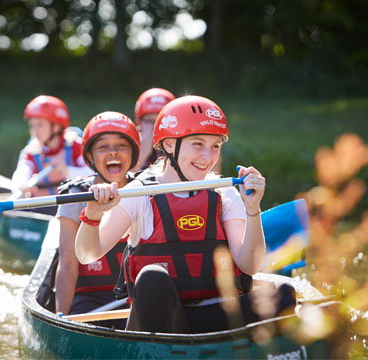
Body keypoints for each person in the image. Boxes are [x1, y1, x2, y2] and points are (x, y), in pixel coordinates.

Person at [75, 95, 293, 334]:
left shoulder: (224, 193)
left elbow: (249, 265)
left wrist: (253, 210)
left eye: (215, 146)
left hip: (218, 317)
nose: (207, 157)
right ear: (169, 145)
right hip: (164, 321)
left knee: (283, 293)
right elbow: (87, 254)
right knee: (152, 278)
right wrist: (93, 215)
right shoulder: (139, 193)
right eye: (198, 144)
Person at [55, 111, 140, 321]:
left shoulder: (145, 190)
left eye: (122, 146)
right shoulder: (75, 195)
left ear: (133, 154)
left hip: (136, 295)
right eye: (103, 147)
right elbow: (67, 264)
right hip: (89, 300)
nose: (113, 152)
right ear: (91, 157)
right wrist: (60, 317)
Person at [11, 95, 92, 201]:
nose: (34, 130)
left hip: (72, 206)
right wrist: (22, 185)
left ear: (56, 126)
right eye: (32, 125)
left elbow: (92, 174)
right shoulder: (31, 151)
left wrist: (67, 171)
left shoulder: (76, 145)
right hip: (42, 208)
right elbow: (22, 172)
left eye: (40, 125)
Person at [132, 88, 175, 171]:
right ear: (139, 122)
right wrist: (143, 153)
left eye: (160, 121)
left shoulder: (184, 144)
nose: (155, 127)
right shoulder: (129, 146)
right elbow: (124, 181)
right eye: (149, 121)